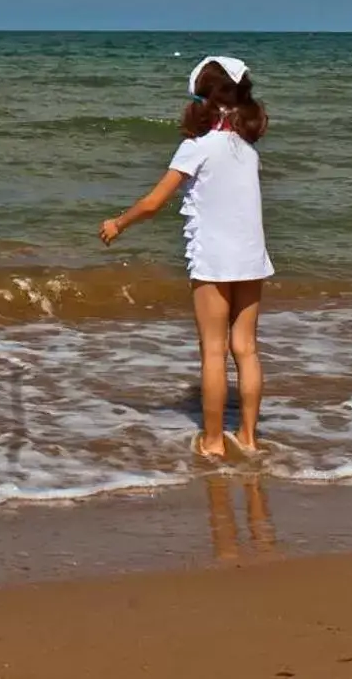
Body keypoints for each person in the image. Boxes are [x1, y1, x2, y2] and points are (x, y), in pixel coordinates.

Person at [99, 54, 272, 462]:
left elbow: (154, 202)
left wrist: (118, 225)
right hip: (251, 257)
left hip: (214, 258)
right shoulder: (247, 151)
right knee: (245, 348)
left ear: (203, 100)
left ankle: (212, 441)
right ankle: (248, 436)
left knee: (213, 349)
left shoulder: (196, 147)